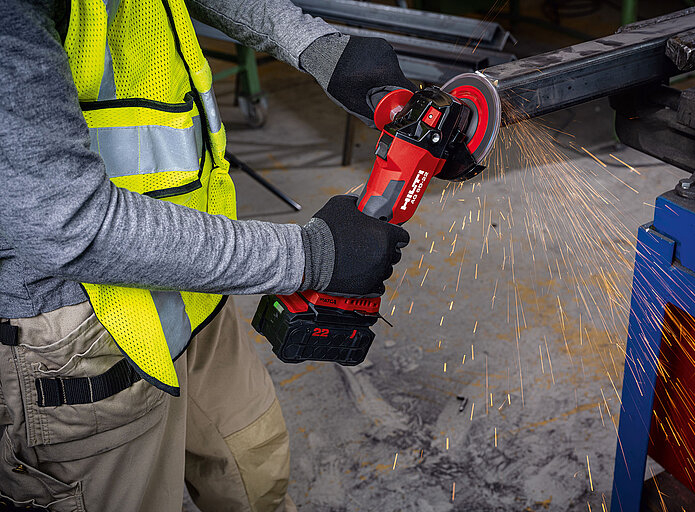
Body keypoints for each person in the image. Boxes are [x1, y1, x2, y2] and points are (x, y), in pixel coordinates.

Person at [0, 0, 413, 510]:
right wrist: (308, 256)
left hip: (198, 285)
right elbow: (67, 221)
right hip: (80, 334)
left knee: (256, 475)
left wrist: (317, 46)